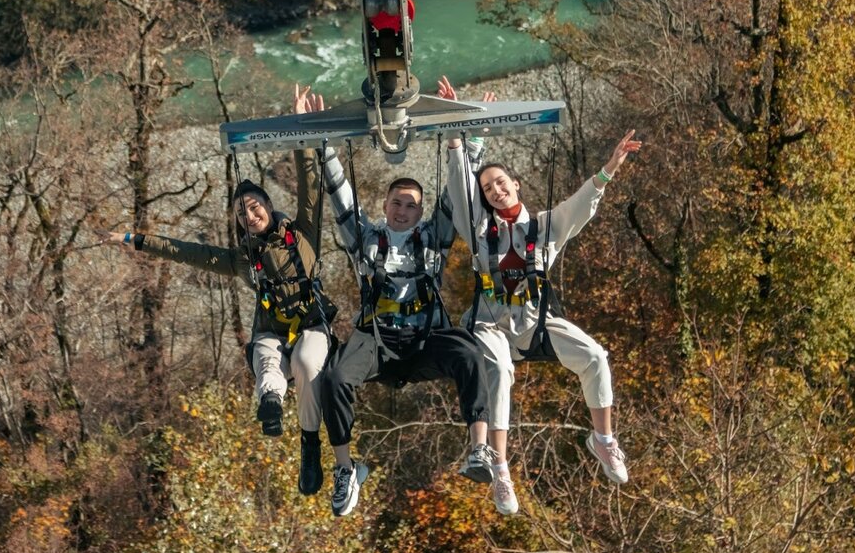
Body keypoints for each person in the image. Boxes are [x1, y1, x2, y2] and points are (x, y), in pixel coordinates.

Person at [97, 85, 334, 497]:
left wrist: (299, 127)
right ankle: (272, 406)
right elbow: (186, 252)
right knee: (265, 359)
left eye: (255, 205)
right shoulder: (241, 259)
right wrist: (136, 239)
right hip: (272, 331)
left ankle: (310, 444)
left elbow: (311, 187)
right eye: (242, 212)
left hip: (311, 322)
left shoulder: (301, 234)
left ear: (268, 205)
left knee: (309, 365)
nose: (251, 214)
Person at [314, 77, 496, 517]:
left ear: (419, 211)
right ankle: (344, 468)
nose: (402, 210)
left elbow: (458, 195)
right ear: (385, 205)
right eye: (397, 202)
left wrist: (473, 138)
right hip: (376, 340)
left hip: (423, 339)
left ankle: (479, 448)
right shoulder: (366, 237)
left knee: (471, 354)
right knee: (334, 379)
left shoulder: (432, 237)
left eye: (411, 205)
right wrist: (323, 141)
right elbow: (340, 199)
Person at [448, 129, 642, 515]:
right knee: (499, 370)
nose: (496, 191)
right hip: (491, 323)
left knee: (594, 356)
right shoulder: (480, 231)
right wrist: (456, 142)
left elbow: (581, 204)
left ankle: (602, 438)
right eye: (487, 189)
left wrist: (607, 171)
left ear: (515, 184)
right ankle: (500, 468)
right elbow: (459, 190)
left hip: (535, 321)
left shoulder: (544, 225)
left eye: (500, 183)